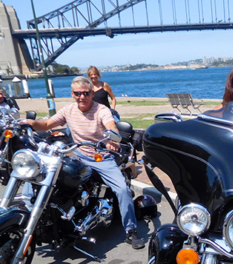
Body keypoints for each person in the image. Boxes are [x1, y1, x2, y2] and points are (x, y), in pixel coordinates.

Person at [24, 76, 145, 249]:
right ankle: (35, 213)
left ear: (91, 93)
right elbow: (46, 124)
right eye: (78, 93)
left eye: (86, 93)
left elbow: (111, 124)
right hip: (77, 154)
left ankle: (131, 231)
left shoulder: (101, 110)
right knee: (42, 171)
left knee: (123, 189)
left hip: (101, 156)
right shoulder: (69, 110)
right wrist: (28, 123)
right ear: (72, 94)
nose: (82, 97)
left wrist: (112, 137)